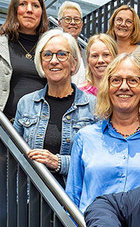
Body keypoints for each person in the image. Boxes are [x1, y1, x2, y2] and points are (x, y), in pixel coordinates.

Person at [64, 53, 140, 215]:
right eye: (116, 80)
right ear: (107, 87)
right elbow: (72, 200)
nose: (124, 86)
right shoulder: (86, 137)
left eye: (132, 80)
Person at [13, 29, 96, 184]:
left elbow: (99, 160)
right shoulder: (26, 104)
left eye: (62, 54)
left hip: (74, 199)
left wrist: (59, 163)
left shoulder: (93, 106)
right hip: (32, 197)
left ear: (74, 63)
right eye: (47, 54)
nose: (54, 61)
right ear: (41, 62)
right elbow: (14, 153)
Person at [0, 0, 49, 120]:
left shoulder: (50, 48)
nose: (29, 10)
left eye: (35, 5)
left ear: (42, 12)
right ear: (15, 10)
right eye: (23, 4)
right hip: (2, 127)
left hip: (39, 129)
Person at [106, 5, 140, 70]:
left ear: (134, 26)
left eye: (128, 21)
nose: (123, 24)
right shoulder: (105, 51)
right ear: (113, 23)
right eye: (119, 20)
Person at [57, 0, 87, 88]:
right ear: (59, 23)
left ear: (81, 24)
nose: (73, 22)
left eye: (77, 19)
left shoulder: (87, 53)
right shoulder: (53, 50)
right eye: (68, 19)